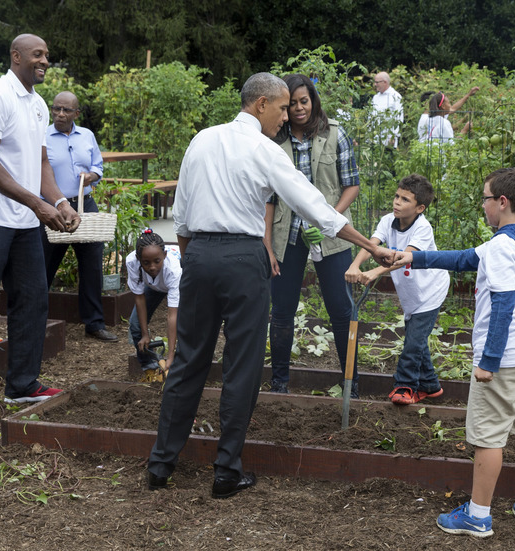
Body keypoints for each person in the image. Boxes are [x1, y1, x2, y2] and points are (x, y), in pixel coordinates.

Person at [147, 72, 395, 499]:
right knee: (242, 367)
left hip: (199, 255)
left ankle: (160, 466)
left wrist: (196, 262)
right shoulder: (265, 149)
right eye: (282, 107)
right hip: (244, 259)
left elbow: (182, 215)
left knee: (188, 361)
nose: (287, 116)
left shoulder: (201, 140)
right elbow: (313, 205)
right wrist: (369, 246)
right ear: (260, 104)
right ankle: (226, 472)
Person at [394, 168, 515, 538]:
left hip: (507, 359)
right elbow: (465, 258)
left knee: (488, 437)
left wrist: (488, 362)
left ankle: (478, 516)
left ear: (502, 202)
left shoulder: (500, 247)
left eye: (484, 199)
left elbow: (502, 307)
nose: (482, 206)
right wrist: (411, 258)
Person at [0, 34, 80, 434]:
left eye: (46, 56)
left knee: (33, 302)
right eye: (37, 54)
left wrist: (58, 201)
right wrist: (36, 204)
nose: (44, 60)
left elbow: (40, 163)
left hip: (23, 222)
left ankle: (21, 385)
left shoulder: (39, 105)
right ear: (17, 56)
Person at [265, 74, 361, 396]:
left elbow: (352, 184)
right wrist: (266, 241)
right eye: (291, 103)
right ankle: (280, 382)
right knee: (282, 309)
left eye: (303, 101)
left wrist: (329, 217)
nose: (298, 108)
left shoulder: (334, 134)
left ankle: (351, 382)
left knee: (341, 309)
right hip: (287, 234)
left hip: (330, 235)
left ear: (313, 100)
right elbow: (268, 196)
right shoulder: (276, 140)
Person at [345, 174, 450, 405]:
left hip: (431, 290)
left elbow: (404, 258)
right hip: (412, 292)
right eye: (396, 196)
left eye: (404, 199)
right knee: (418, 339)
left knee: (413, 342)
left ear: (420, 208)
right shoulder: (387, 221)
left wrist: (373, 273)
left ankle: (405, 386)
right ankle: (431, 387)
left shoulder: (422, 229)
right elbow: (372, 245)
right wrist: (355, 265)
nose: (396, 202)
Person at [40, 90, 118, 342]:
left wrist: (93, 175)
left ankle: (94, 323)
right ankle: (36, 321)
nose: (60, 114)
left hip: (85, 207)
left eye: (66, 110)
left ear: (77, 113)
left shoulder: (87, 136)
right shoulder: (42, 136)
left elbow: (98, 165)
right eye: (56, 109)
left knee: (92, 266)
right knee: (44, 266)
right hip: (53, 209)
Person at [127, 229, 182, 371]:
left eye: (157, 261)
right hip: (154, 285)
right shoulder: (132, 262)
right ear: (139, 259)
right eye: (146, 263)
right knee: (135, 324)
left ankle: (179, 364)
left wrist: (170, 355)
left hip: (181, 283)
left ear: (164, 255)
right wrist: (145, 334)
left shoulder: (173, 269)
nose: (152, 267)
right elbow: (139, 298)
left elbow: (171, 315)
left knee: (185, 325)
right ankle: (149, 366)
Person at [371, 71, 403, 148]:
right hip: (375, 138)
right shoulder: (375, 97)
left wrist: (394, 136)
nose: (375, 84)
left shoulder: (395, 96)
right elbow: (371, 116)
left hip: (388, 139)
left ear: (384, 82)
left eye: (377, 82)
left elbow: (399, 118)